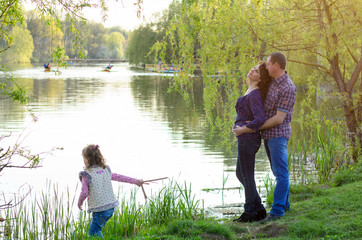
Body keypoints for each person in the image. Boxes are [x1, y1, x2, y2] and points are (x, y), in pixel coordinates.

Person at [235, 52, 297, 224]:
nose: (266, 67)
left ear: (276, 65)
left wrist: (249, 128)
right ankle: (284, 205)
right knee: (277, 172)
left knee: (280, 173)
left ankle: (277, 212)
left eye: (268, 64)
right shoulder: (272, 83)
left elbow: (278, 118)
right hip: (268, 136)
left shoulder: (288, 88)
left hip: (278, 135)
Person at [232, 62, 272, 222]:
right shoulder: (250, 90)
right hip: (244, 138)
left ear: (260, 78)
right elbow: (245, 113)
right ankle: (259, 209)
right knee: (240, 174)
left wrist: (243, 129)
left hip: (249, 139)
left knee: (247, 176)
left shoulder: (255, 94)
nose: (251, 70)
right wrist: (236, 125)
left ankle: (250, 212)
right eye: (252, 68)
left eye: (256, 71)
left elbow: (260, 118)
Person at [78, 144, 145, 238]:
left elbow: (84, 192)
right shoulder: (105, 170)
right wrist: (135, 181)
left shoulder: (86, 175)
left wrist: (79, 203)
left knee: (94, 231)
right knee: (96, 229)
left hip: (100, 211)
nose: (83, 160)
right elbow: (119, 177)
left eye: (84, 158)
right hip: (110, 209)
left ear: (87, 159)